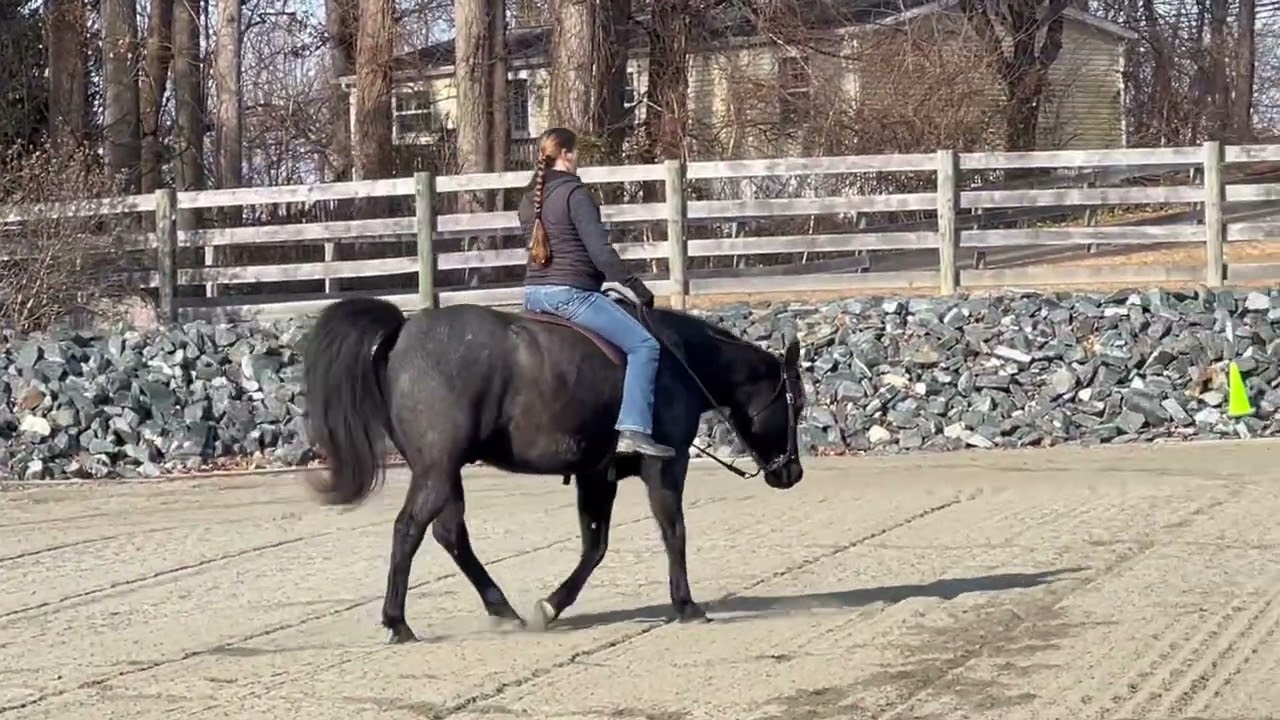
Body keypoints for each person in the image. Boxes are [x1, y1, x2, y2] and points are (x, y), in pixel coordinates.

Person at [518, 127, 676, 460]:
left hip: (533, 294)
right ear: (566, 155)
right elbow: (601, 253)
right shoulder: (575, 194)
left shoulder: (528, 199)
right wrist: (636, 286)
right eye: (575, 153)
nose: (577, 159)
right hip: (569, 295)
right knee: (644, 346)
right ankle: (633, 429)